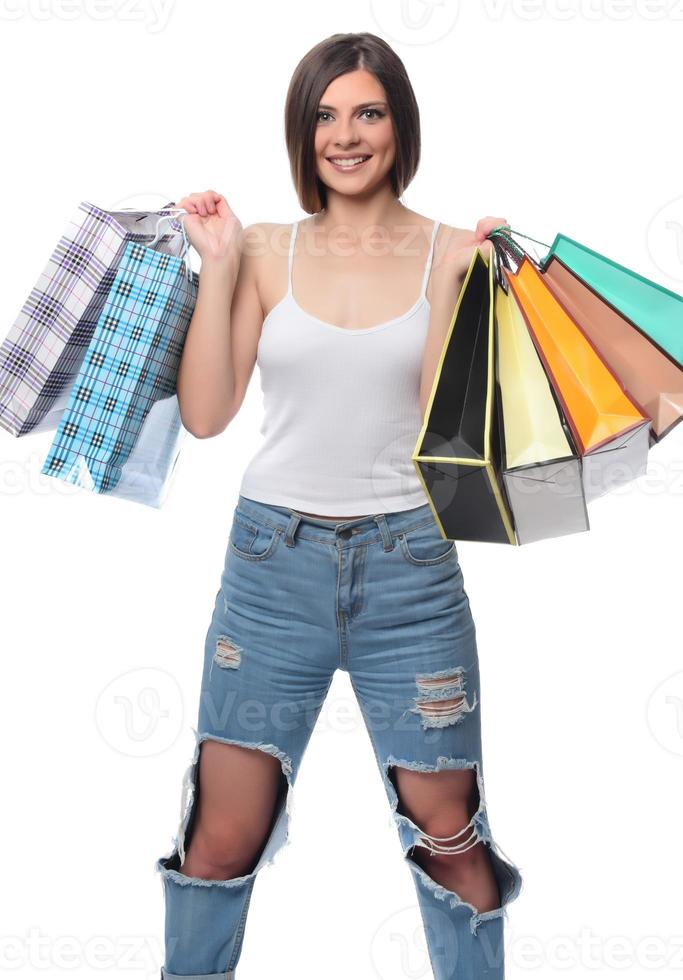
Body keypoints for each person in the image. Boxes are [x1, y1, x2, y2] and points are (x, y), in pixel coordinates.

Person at [154, 31, 523, 980]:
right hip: (271, 571)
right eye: (324, 115)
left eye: (367, 112)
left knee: (451, 839)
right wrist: (222, 262)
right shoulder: (267, 249)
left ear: (398, 126)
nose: (344, 136)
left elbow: (456, 436)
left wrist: (486, 296)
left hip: (410, 572)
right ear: (301, 129)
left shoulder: (450, 253)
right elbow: (204, 415)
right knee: (221, 838)